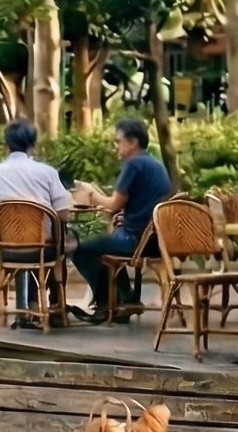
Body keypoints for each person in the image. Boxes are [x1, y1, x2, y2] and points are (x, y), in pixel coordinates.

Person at [70, 118, 171, 319]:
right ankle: (126, 298)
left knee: (80, 250)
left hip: (136, 239)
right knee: (104, 246)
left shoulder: (133, 164)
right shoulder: (154, 163)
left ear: (133, 142)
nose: (116, 146)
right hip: (155, 239)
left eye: (118, 141)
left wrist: (90, 193)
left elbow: (114, 204)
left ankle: (106, 305)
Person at [0, 119, 74, 325]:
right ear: (33, 145)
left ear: (6, 145)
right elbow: (63, 214)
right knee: (65, 241)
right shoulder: (47, 173)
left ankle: (29, 305)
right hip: (41, 251)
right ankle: (55, 308)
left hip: (5, 250)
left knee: (54, 242)